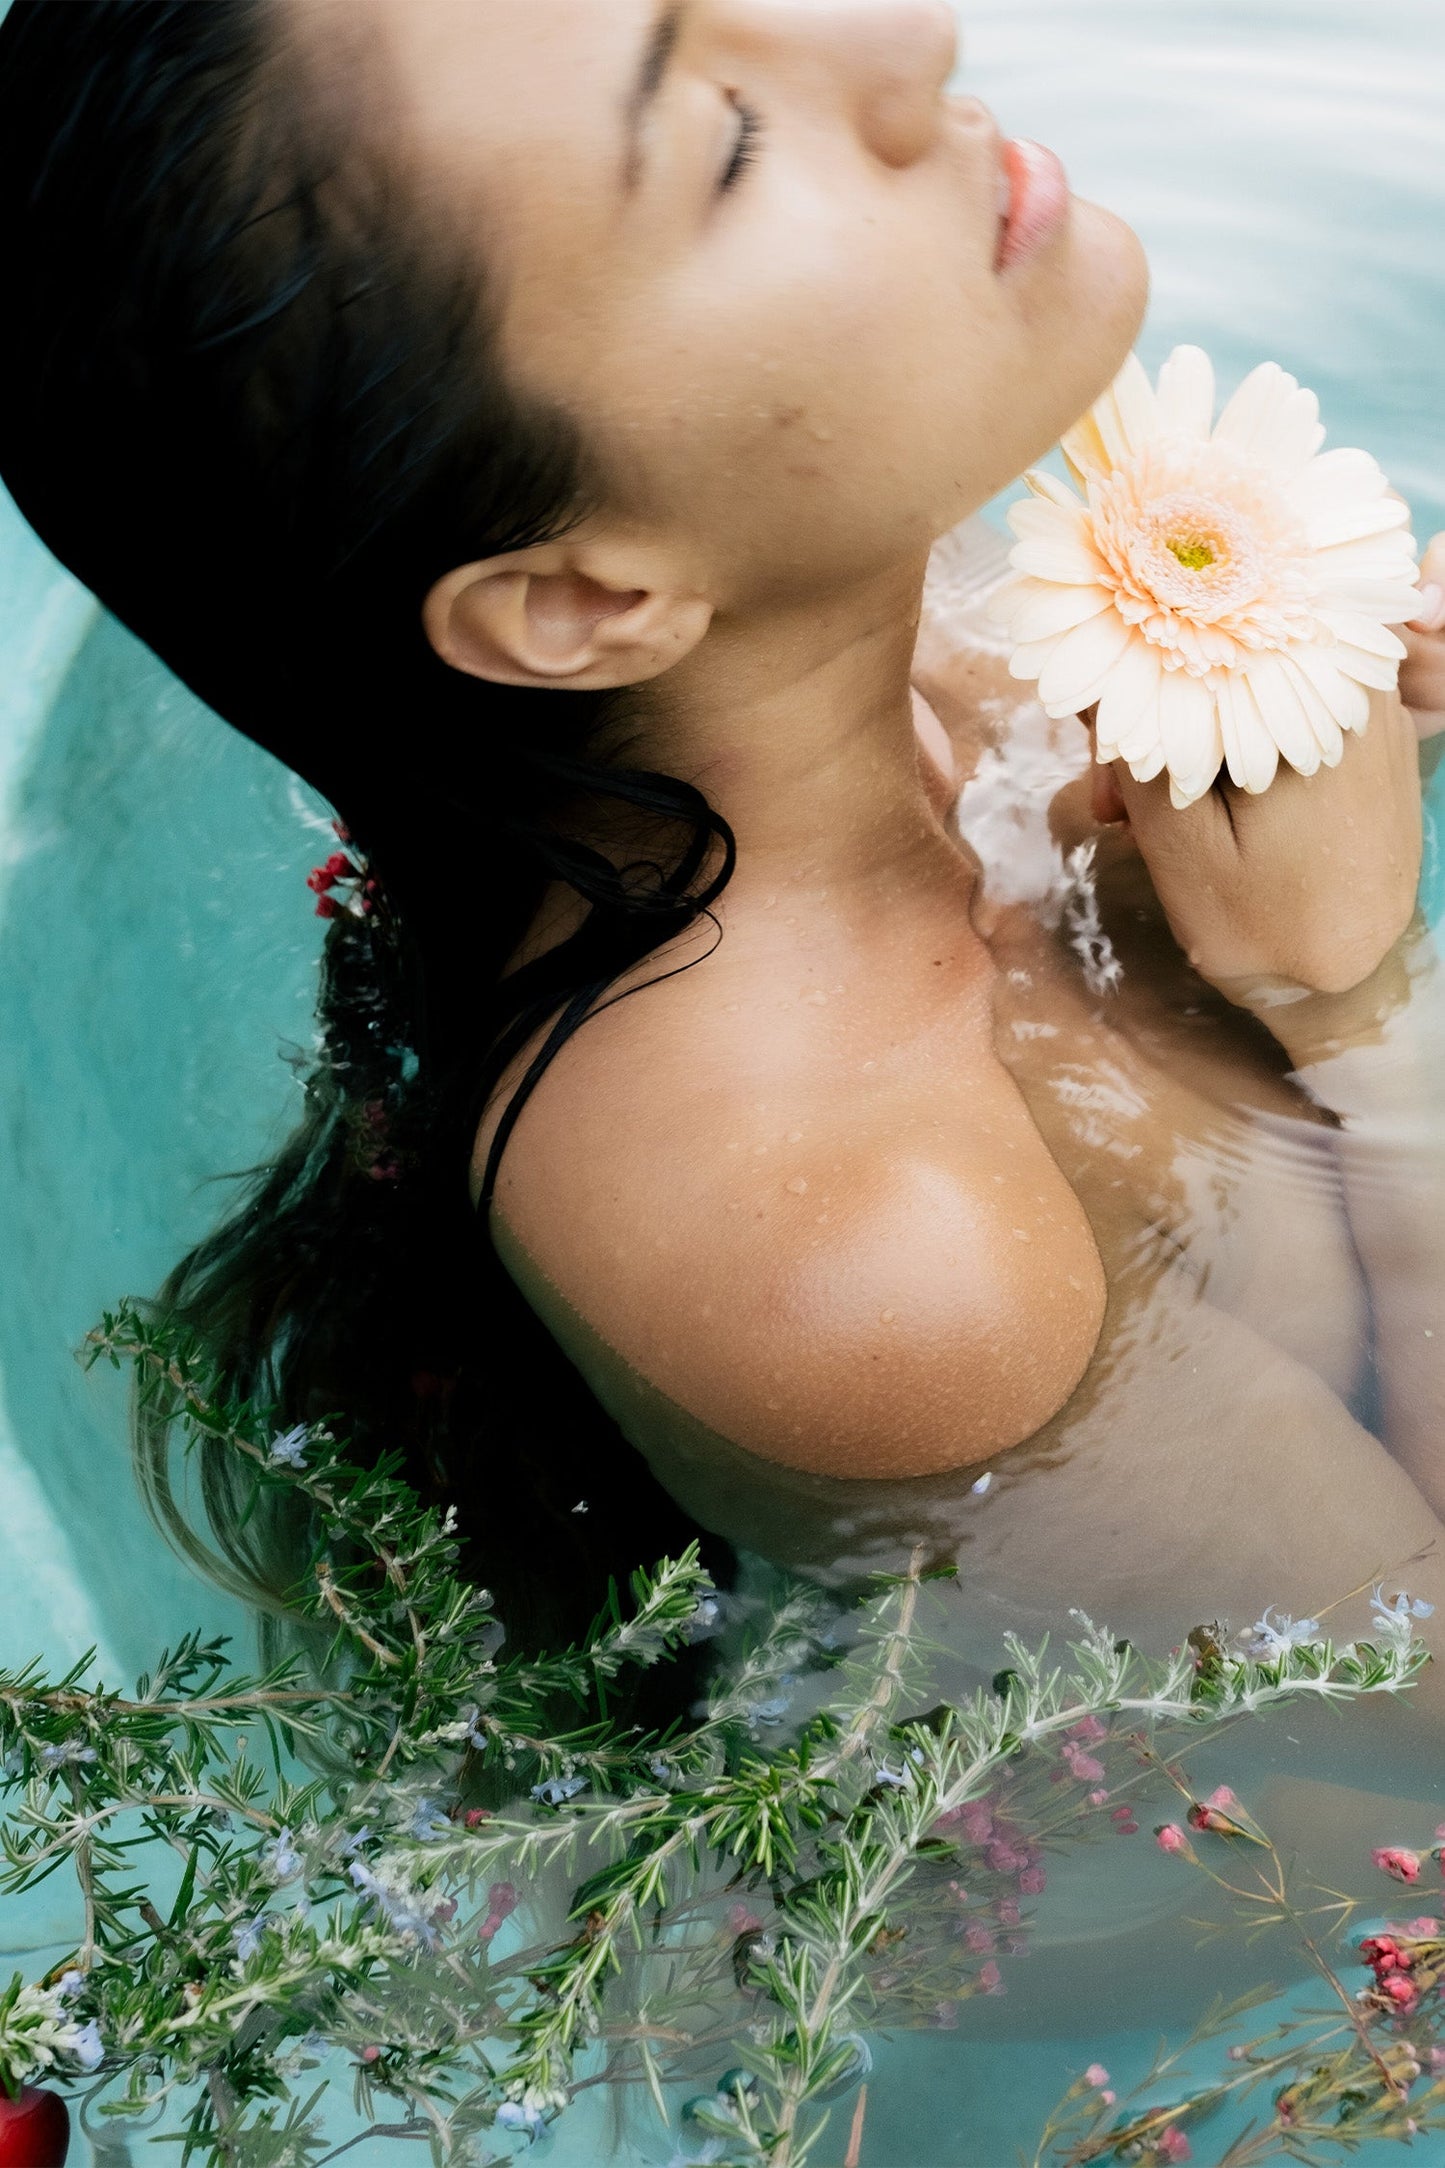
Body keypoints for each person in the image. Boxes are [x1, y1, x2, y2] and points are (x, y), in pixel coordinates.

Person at [2, 0, 1445, 1713]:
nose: (902, 36)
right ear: (585, 602)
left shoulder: (844, 598)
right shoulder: (867, 1264)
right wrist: (1359, 1004)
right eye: (728, 146)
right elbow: (1410, 1721)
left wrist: (1300, 692)